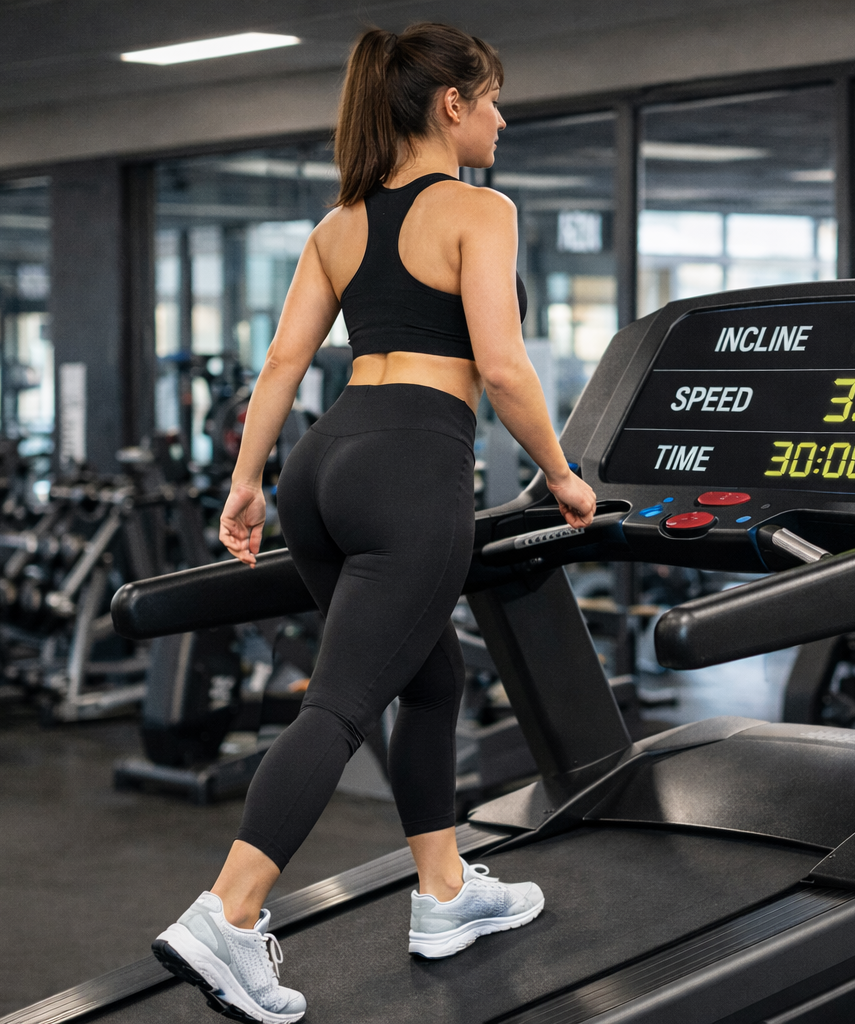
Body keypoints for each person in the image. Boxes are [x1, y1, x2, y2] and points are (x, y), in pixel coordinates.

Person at [150, 23, 596, 1024]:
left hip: (324, 461)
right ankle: (230, 910)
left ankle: (443, 889)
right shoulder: (480, 210)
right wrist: (563, 474)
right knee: (342, 705)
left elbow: (279, 364)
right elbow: (503, 365)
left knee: (433, 676)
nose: (500, 117)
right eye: (490, 99)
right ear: (450, 106)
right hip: (413, 464)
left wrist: (246, 481)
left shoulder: (339, 224)